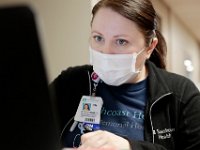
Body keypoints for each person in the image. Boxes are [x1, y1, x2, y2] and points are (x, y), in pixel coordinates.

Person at [50, 0, 200, 149]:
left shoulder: (181, 95)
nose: (106, 52)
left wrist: (129, 147)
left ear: (149, 47)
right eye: (98, 38)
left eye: (121, 41)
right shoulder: (70, 82)